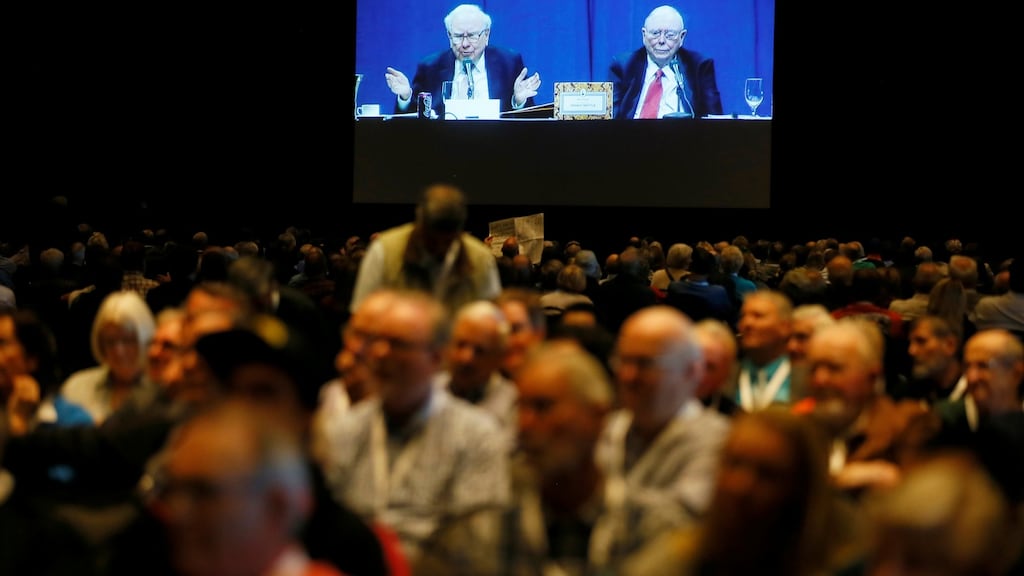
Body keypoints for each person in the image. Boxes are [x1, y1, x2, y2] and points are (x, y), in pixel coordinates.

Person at [588, 305, 731, 573]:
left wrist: (592, 495)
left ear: (691, 372)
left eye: (645, 364)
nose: (628, 376)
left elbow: (679, 525)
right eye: (623, 361)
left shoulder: (719, 441)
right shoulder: (608, 430)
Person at [349, 182, 501, 317]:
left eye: (448, 241)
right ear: (419, 225)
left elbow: (491, 324)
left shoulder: (481, 259)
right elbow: (362, 319)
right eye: (432, 240)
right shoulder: (383, 251)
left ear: (459, 232)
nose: (440, 248)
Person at [384, 3, 541, 117]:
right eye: (458, 36)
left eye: (472, 36)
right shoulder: (430, 66)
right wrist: (405, 96)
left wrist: (519, 101)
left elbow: (529, 121)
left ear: (486, 35)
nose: (465, 44)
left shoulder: (508, 62)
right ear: (449, 36)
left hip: (496, 146)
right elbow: (413, 120)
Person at [609, 5, 723, 119]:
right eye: (655, 33)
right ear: (644, 35)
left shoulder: (698, 66)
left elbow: (715, 122)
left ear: (681, 37)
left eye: (670, 35)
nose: (662, 41)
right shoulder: (624, 65)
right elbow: (611, 120)